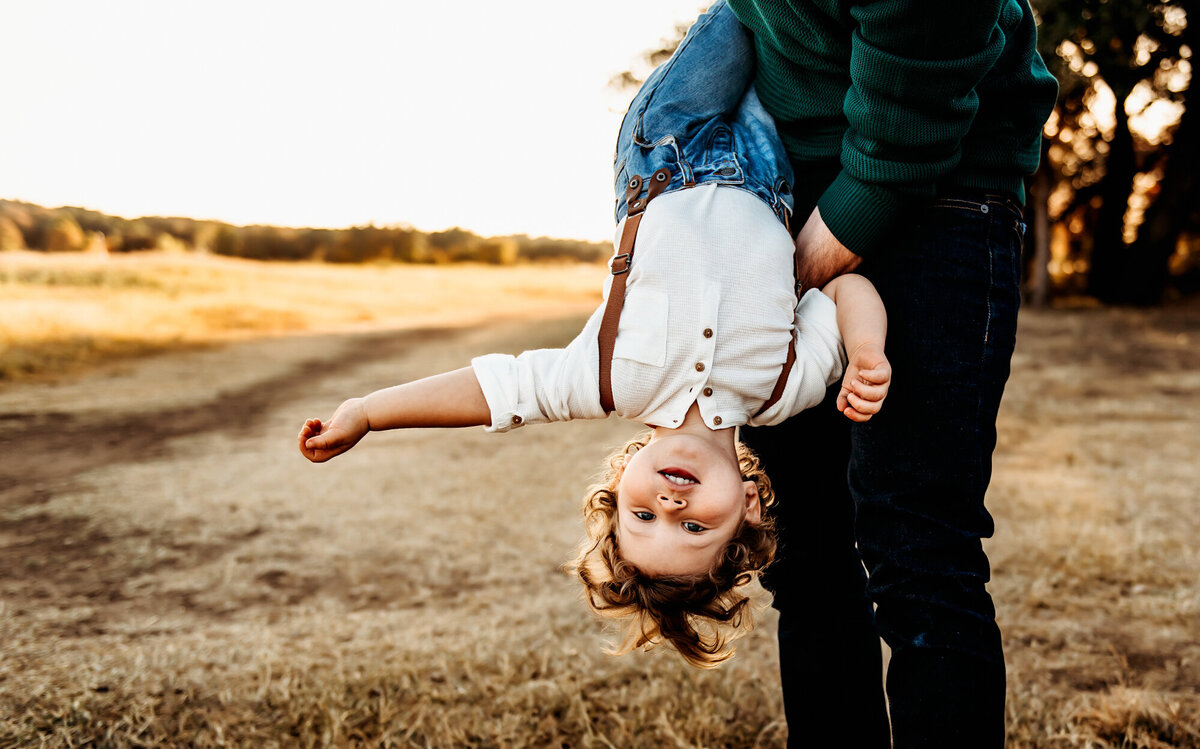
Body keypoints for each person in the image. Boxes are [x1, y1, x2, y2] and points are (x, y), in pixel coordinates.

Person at [297, 2, 891, 670]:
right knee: (808, 38)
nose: (669, 503)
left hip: (668, 145)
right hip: (770, 171)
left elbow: (499, 392)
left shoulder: (611, 380)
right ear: (750, 508)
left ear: (621, 483)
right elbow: (843, 291)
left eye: (643, 518)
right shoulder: (785, 390)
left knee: (741, 14)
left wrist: (369, 412)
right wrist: (867, 351)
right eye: (694, 526)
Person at [718, 0, 1060, 746]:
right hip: (781, 193)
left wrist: (847, 218)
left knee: (918, 551)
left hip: (942, 185)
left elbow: (926, 42)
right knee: (804, 558)